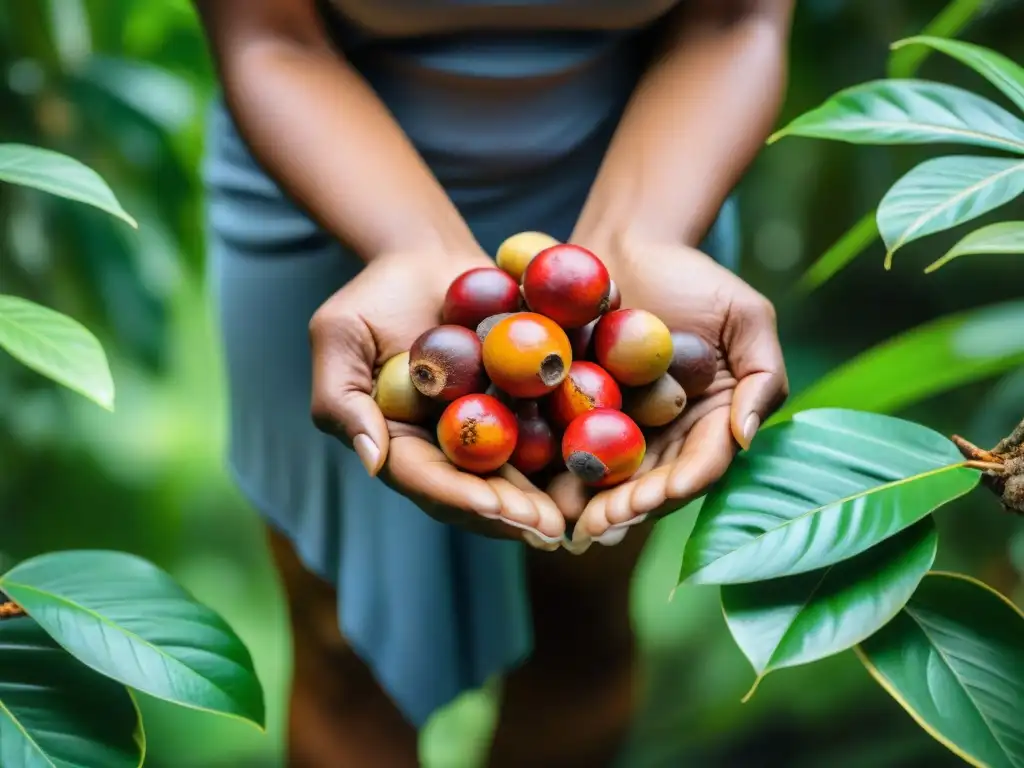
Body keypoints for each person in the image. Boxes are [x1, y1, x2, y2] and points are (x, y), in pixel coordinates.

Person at [194, 0, 792, 764]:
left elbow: (733, 20)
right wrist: (408, 247)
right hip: (322, 168)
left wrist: (640, 237)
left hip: (654, 172)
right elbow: (266, 33)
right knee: (344, 639)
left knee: (582, 621)